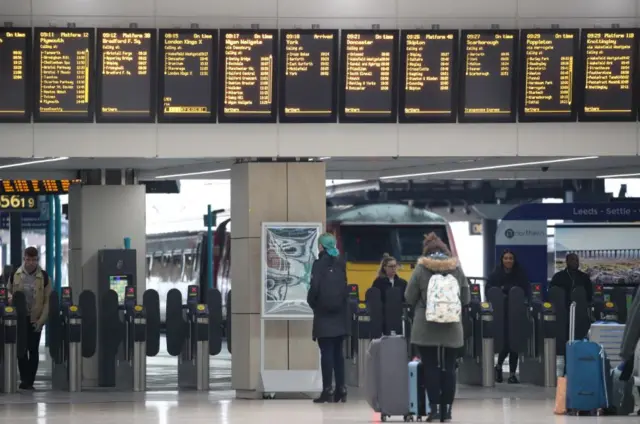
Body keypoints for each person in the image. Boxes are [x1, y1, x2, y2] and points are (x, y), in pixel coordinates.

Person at [405, 233, 469, 422]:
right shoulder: (456, 268)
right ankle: (447, 410)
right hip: (451, 325)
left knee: (430, 366)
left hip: (426, 325)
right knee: (449, 367)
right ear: (445, 250)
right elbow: (465, 298)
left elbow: (409, 296)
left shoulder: (421, 268)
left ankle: (434, 409)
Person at [307, 233, 349, 404]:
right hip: (340, 315)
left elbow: (314, 288)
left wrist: (314, 304)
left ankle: (327, 389)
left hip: (323, 315)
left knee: (326, 353)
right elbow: (346, 288)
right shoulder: (341, 263)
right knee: (338, 353)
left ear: (322, 247)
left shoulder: (318, 265)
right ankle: (342, 388)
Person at [7, 246, 52, 390]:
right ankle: (25, 379)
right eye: (28, 259)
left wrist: (41, 321)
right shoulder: (15, 274)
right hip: (20, 318)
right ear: (24, 259)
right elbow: (7, 292)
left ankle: (30, 380)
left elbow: (47, 301)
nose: (30, 263)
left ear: (37, 259)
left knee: (33, 349)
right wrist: (10, 299)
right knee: (21, 349)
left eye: (33, 260)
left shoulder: (44, 277)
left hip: (35, 319)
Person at [486, 249, 530, 384]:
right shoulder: (495, 274)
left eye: (511, 258)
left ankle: (512, 374)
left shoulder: (520, 274)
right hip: (501, 314)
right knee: (505, 343)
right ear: (502, 260)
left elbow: (525, 291)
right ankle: (498, 366)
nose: (508, 260)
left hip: (516, 313)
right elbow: (490, 291)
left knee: (515, 344)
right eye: (506, 258)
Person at [372, 254, 408, 334]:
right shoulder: (378, 282)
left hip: (398, 317)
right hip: (384, 318)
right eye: (391, 266)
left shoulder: (402, 283)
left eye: (395, 266)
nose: (394, 268)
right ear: (385, 268)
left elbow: (406, 298)